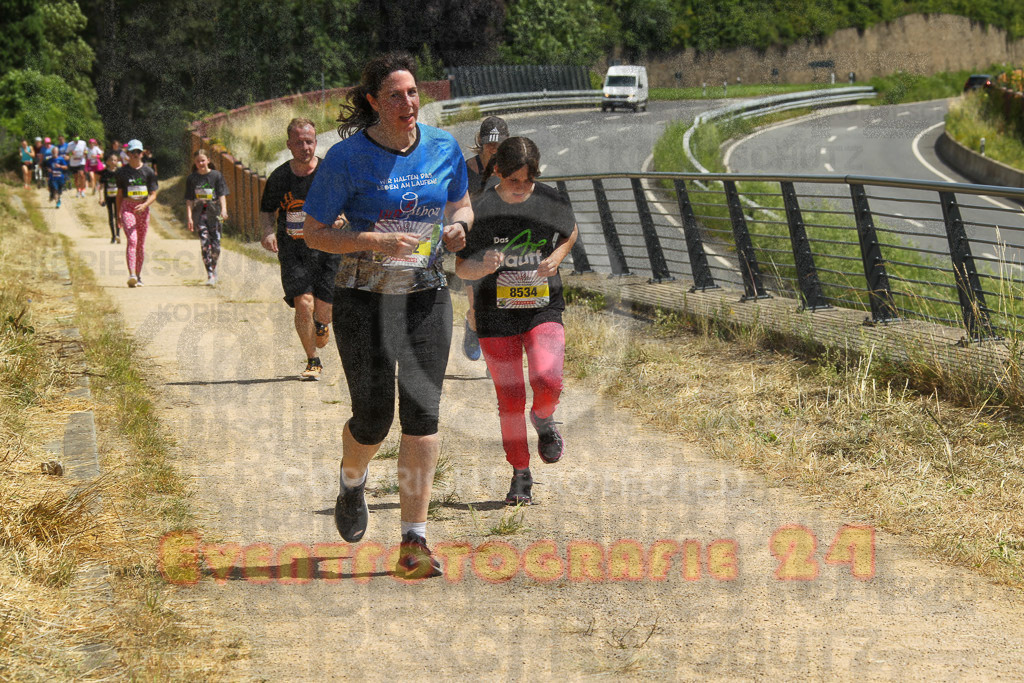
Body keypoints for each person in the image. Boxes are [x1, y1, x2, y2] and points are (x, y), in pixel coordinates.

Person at [302, 52, 471, 579]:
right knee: (374, 417)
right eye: (395, 95)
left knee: (423, 414)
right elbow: (313, 231)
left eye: (414, 92)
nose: (408, 103)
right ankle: (352, 482)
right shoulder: (346, 159)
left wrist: (460, 226)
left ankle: (414, 541)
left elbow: (462, 204)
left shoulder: (444, 147)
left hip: (426, 294)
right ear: (374, 102)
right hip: (363, 298)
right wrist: (372, 238)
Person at [455, 137, 578, 506]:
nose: (522, 189)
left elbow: (569, 231)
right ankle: (520, 473)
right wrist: (482, 266)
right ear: (497, 173)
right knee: (509, 400)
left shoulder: (551, 200)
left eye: (528, 181)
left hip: (543, 307)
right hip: (496, 316)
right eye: (514, 182)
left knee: (547, 378)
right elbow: (462, 267)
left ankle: (544, 419)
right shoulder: (480, 209)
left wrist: (557, 256)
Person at [259, 118, 342, 380]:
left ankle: (322, 323)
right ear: (289, 145)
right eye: (299, 142)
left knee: (323, 309)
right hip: (294, 250)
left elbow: (347, 202)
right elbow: (265, 211)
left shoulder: (330, 172)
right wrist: (267, 231)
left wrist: (342, 218)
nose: (305, 147)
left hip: (328, 248)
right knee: (303, 303)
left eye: (309, 141)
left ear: (316, 143)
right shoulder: (280, 177)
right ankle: (312, 361)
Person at [461, 116, 509, 362]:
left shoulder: (511, 168)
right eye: (490, 144)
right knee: (478, 309)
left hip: (502, 243)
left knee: (502, 305)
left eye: (500, 144)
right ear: (480, 142)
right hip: (473, 244)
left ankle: (495, 360)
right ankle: (472, 324)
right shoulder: (465, 168)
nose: (494, 149)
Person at [116, 139, 159, 287]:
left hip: (143, 209)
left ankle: (139, 276)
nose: (135, 154)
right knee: (132, 240)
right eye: (132, 152)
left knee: (140, 244)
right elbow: (120, 195)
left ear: (142, 154)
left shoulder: (148, 171)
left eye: (138, 152)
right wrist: (118, 214)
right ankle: (132, 274)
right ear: (127, 154)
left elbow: (153, 194)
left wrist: (145, 205)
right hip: (128, 207)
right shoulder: (122, 172)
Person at [185, 149, 229, 285]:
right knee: (204, 244)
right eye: (198, 161)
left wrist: (224, 210)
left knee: (216, 245)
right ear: (195, 163)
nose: (200, 163)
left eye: (203, 160)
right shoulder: (192, 178)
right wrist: (189, 217)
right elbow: (189, 199)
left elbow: (222, 194)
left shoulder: (216, 175)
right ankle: (210, 274)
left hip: (216, 214)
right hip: (199, 215)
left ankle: (214, 267)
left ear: (208, 160)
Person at [98, 154, 121, 243]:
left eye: (115, 160)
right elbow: (101, 186)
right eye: (111, 160)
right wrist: (101, 198)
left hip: (117, 197)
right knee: (110, 216)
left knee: (118, 215)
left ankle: (118, 234)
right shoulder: (104, 173)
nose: (113, 162)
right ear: (107, 162)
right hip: (108, 197)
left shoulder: (119, 172)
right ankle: (113, 236)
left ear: (117, 162)